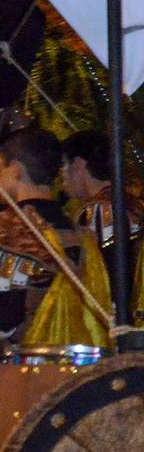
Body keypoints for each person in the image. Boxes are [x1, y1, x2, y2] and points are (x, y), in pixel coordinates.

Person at [0, 128, 109, 346]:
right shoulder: (82, 236)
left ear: (15, 170)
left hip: (17, 367)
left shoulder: (8, 230)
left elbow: (7, 318)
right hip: (68, 363)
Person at [59, 130, 144, 321]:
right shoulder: (135, 206)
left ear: (79, 165)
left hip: (106, 321)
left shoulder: (97, 212)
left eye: (63, 166)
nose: (61, 178)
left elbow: (95, 276)